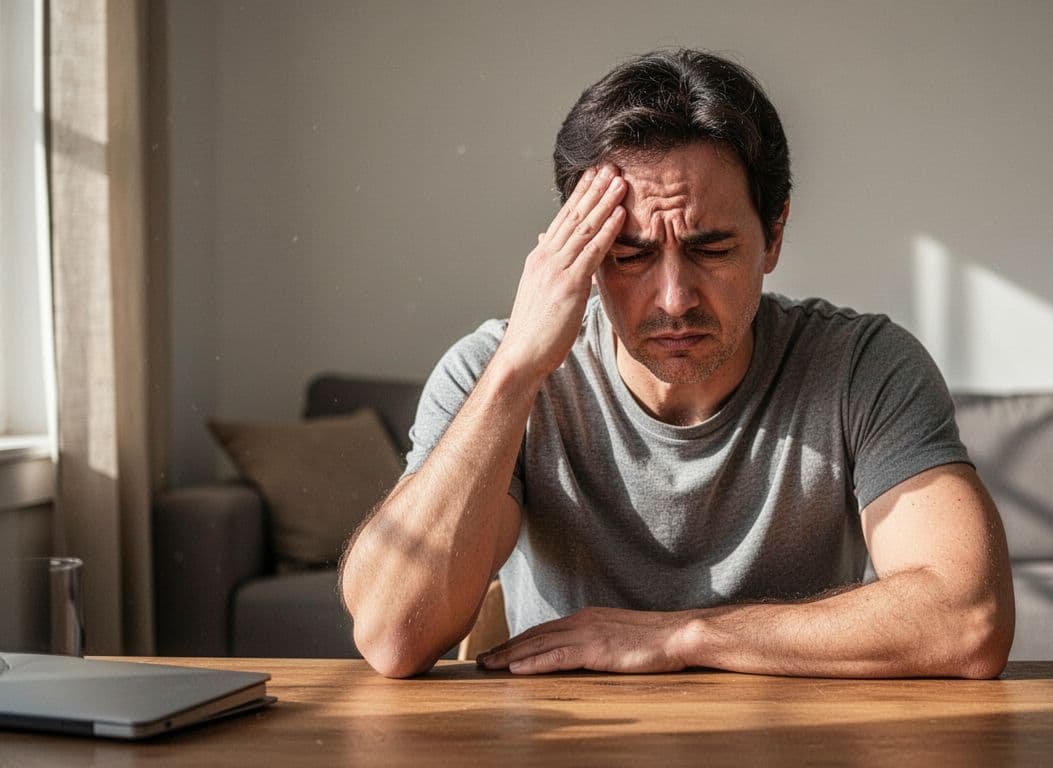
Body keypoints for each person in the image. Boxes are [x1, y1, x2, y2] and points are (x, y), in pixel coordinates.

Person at [340, 49, 1014, 680]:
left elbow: (968, 618)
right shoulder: (494, 370)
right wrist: (517, 370)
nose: (673, 299)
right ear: (581, 253)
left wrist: (675, 636)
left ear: (773, 234)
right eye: (629, 256)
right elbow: (391, 635)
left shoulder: (863, 367)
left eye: (711, 250)